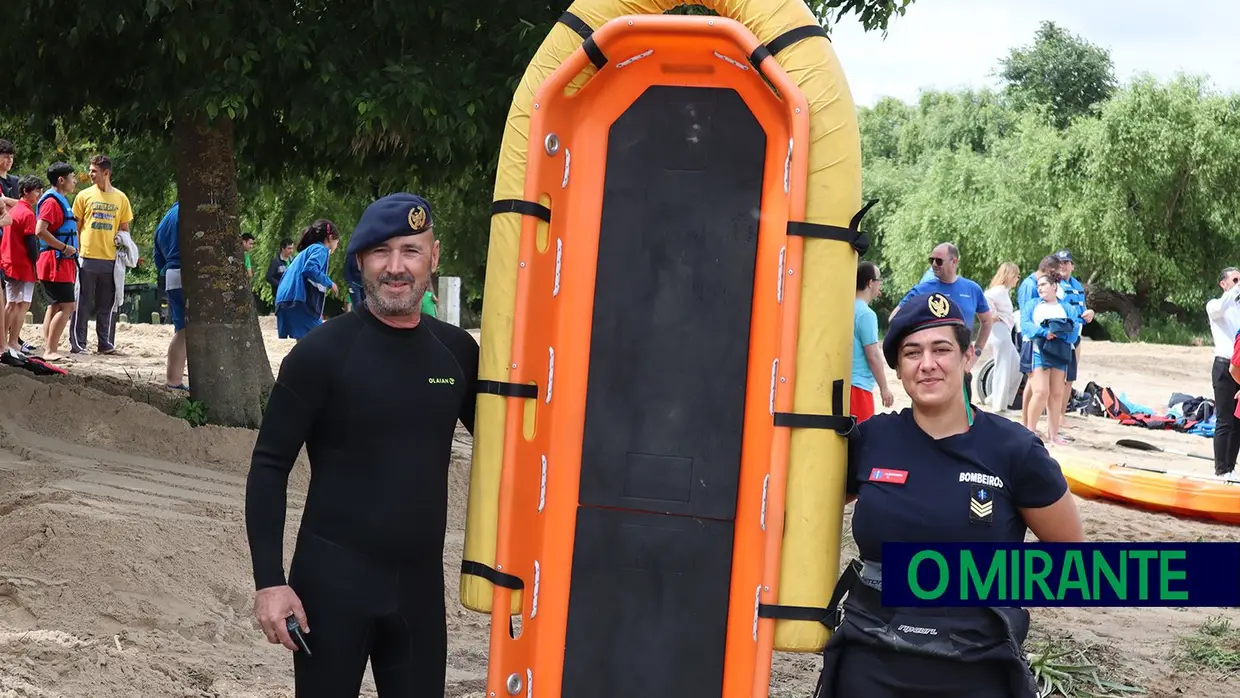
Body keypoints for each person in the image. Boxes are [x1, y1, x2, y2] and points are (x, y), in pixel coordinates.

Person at [245, 192, 479, 697]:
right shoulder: (321, 355)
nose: (396, 267)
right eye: (381, 251)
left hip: (419, 592)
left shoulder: (458, 353)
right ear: (359, 261)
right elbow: (268, 467)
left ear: (434, 257)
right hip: (330, 589)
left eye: (411, 251)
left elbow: (512, 451)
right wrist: (270, 581)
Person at [812, 292, 1084, 698]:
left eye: (941, 349)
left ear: (968, 357)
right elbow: (804, 511)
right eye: (912, 353)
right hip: (869, 660)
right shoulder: (871, 440)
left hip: (976, 667)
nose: (927, 364)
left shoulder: (1015, 450)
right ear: (899, 369)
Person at [890, 242, 995, 403]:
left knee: (963, 421)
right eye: (931, 260)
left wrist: (977, 352)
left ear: (954, 262)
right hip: (930, 370)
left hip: (960, 367)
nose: (933, 264)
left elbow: (987, 321)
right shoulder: (922, 289)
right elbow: (894, 319)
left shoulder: (972, 289)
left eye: (938, 261)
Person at [69, 154, 133, 355]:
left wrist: (123, 242)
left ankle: (105, 343)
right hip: (87, 257)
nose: (90, 174)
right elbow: (75, 227)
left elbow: (124, 229)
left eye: (94, 171)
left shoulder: (121, 198)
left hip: (111, 260)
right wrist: (77, 252)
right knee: (83, 302)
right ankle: (78, 343)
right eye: (90, 170)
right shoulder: (84, 196)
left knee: (108, 304)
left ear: (106, 172)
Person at [1021, 273, 1081, 445]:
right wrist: (1044, 332)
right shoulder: (1033, 305)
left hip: (1059, 352)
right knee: (1040, 391)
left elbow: (1074, 329)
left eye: (1044, 285)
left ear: (1054, 286)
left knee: (1056, 393)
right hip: (1038, 350)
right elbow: (1026, 326)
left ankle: (1053, 435)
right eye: (1038, 285)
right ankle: (1029, 432)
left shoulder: (1066, 307)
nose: (1039, 288)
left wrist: (1061, 335)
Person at [34, 162, 79, 362]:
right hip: (55, 261)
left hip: (60, 261)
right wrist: (63, 247)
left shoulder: (61, 200)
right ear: (61, 180)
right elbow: (40, 230)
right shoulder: (52, 202)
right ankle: (50, 350)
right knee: (67, 305)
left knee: (55, 306)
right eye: (72, 177)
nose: (75, 181)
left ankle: (50, 348)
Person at [274, 220, 340, 340]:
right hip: (297, 301)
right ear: (330, 238)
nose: (337, 245)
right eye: (337, 242)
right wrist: (330, 283)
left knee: (305, 344)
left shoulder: (306, 252)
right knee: (321, 338)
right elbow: (310, 269)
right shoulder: (321, 250)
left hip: (284, 300)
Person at [1016, 255, 1061, 428]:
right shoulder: (1029, 286)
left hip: (1039, 337)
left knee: (1032, 382)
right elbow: (1028, 315)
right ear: (1050, 270)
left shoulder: (1034, 284)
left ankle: (1026, 421)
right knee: (1035, 384)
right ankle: (1026, 422)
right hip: (1031, 338)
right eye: (1055, 272)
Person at [2, 176, 43, 355]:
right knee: (21, 304)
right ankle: (12, 341)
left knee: (11, 303)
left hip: (9, 261)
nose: (39, 194)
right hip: (23, 264)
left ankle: (5, 340)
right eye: (37, 191)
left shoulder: (13, 210)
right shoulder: (27, 213)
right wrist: (36, 264)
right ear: (26, 192)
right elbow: (30, 242)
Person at [1052, 249, 1094, 417]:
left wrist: (1089, 314)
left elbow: (1081, 310)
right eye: (1060, 263)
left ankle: (1061, 415)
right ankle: (1052, 415)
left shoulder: (1077, 286)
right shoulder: (1053, 284)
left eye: (1066, 263)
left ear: (1072, 266)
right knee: (1056, 379)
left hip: (1075, 336)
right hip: (1059, 337)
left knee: (1070, 377)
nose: (1063, 266)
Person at [1207, 266, 1240, 476]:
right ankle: (1221, 470)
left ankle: (1231, 466)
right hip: (1223, 366)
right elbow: (1220, 308)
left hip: (1239, 365)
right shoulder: (1215, 305)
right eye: (1235, 280)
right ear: (1224, 284)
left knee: (1238, 420)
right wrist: (1236, 290)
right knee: (1224, 419)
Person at [851, 261, 893, 422]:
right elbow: (873, 355)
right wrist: (884, 388)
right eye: (879, 280)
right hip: (859, 388)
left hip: (845, 385)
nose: (880, 284)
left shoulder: (846, 308)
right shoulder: (866, 314)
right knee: (862, 439)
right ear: (870, 283)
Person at [153, 202, 188, 390]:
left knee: (182, 328)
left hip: (171, 274)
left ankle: (174, 379)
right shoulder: (192, 210)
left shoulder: (166, 219)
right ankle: (174, 380)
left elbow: (157, 255)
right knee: (187, 330)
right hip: (188, 272)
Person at [983, 262, 1022, 412]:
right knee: (1003, 367)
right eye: (1017, 275)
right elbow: (985, 299)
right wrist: (995, 316)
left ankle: (995, 398)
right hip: (999, 331)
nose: (1017, 279)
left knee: (1017, 366)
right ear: (1010, 275)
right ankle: (999, 405)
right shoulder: (998, 290)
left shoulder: (1003, 291)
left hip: (1004, 331)